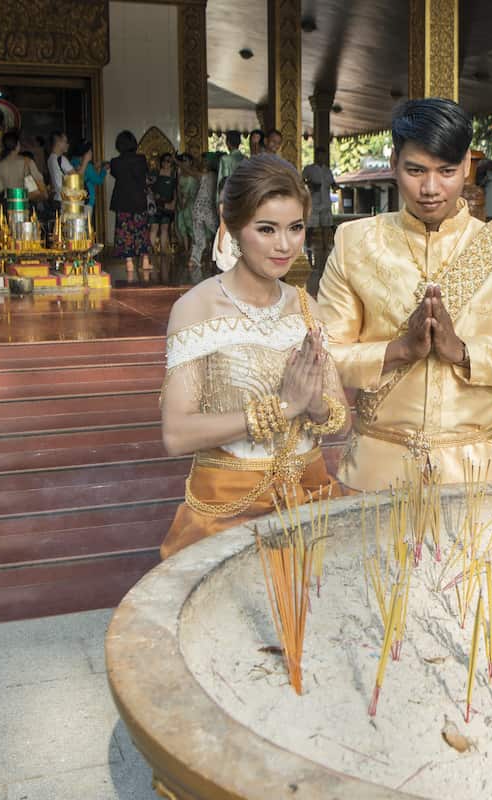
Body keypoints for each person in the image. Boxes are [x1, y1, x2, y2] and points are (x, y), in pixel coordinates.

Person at [318, 98, 492, 491]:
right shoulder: (356, 242)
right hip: (376, 470)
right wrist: (399, 350)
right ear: (394, 161)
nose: (430, 188)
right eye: (416, 170)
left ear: (467, 164)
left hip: (473, 472)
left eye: (447, 171)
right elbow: (326, 355)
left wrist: (464, 351)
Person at [158, 154, 348, 559]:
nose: (285, 245)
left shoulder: (307, 307)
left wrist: (313, 404)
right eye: (267, 229)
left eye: (295, 228)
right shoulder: (198, 308)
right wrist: (282, 408)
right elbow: (176, 434)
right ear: (233, 227)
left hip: (309, 495)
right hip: (228, 506)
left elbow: (337, 416)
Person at [109, 129, 153, 284]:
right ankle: (145, 261)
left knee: (124, 231)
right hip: (139, 201)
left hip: (122, 202)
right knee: (141, 230)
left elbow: (115, 174)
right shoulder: (141, 159)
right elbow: (145, 176)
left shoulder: (115, 162)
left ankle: (129, 263)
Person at [302, 146, 338, 293]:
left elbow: (332, 183)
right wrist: (310, 184)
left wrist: (335, 186)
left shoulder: (327, 171)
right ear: (316, 156)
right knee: (311, 227)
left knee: (326, 226)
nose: (322, 158)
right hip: (314, 201)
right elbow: (302, 180)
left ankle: (324, 250)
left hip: (325, 203)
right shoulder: (309, 169)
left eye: (324, 156)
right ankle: (308, 250)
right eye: (320, 155)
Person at [189, 152, 219, 282]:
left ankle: (194, 259)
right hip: (207, 209)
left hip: (198, 208)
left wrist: (179, 163)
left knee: (199, 235)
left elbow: (191, 172)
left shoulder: (207, 175)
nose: (203, 163)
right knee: (219, 232)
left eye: (205, 161)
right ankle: (221, 258)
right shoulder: (215, 176)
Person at [150, 153, 177, 282]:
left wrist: (174, 203)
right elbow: (149, 187)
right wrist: (155, 198)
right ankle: (152, 252)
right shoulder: (155, 173)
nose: (167, 164)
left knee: (165, 228)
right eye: (165, 161)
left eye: (169, 162)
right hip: (156, 205)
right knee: (154, 228)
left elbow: (176, 190)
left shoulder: (174, 174)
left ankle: (163, 252)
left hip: (168, 205)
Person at [174, 153, 200, 284]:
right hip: (182, 202)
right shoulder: (180, 173)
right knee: (182, 225)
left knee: (191, 226)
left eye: (186, 160)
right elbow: (178, 187)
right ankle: (186, 248)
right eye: (182, 160)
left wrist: (187, 199)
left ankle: (193, 249)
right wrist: (179, 199)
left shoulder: (194, 172)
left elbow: (195, 189)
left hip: (192, 202)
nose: (184, 162)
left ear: (190, 161)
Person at [72, 140, 107, 223]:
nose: (91, 153)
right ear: (86, 153)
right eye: (90, 150)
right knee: (85, 228)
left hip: (75, 201)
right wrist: (104, 170)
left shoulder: (72, 161)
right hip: (87, 201)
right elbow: (98, 180)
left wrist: (94, 167)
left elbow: (84, 175)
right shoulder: (87, 166)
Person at [46, 130, 74, 210]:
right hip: (65, 199)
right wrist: (85, 162)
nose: (67, 145)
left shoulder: (50, 158)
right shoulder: (61, 159)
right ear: (58, 142)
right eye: (65, 141)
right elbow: (76, 177)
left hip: (57, 198)